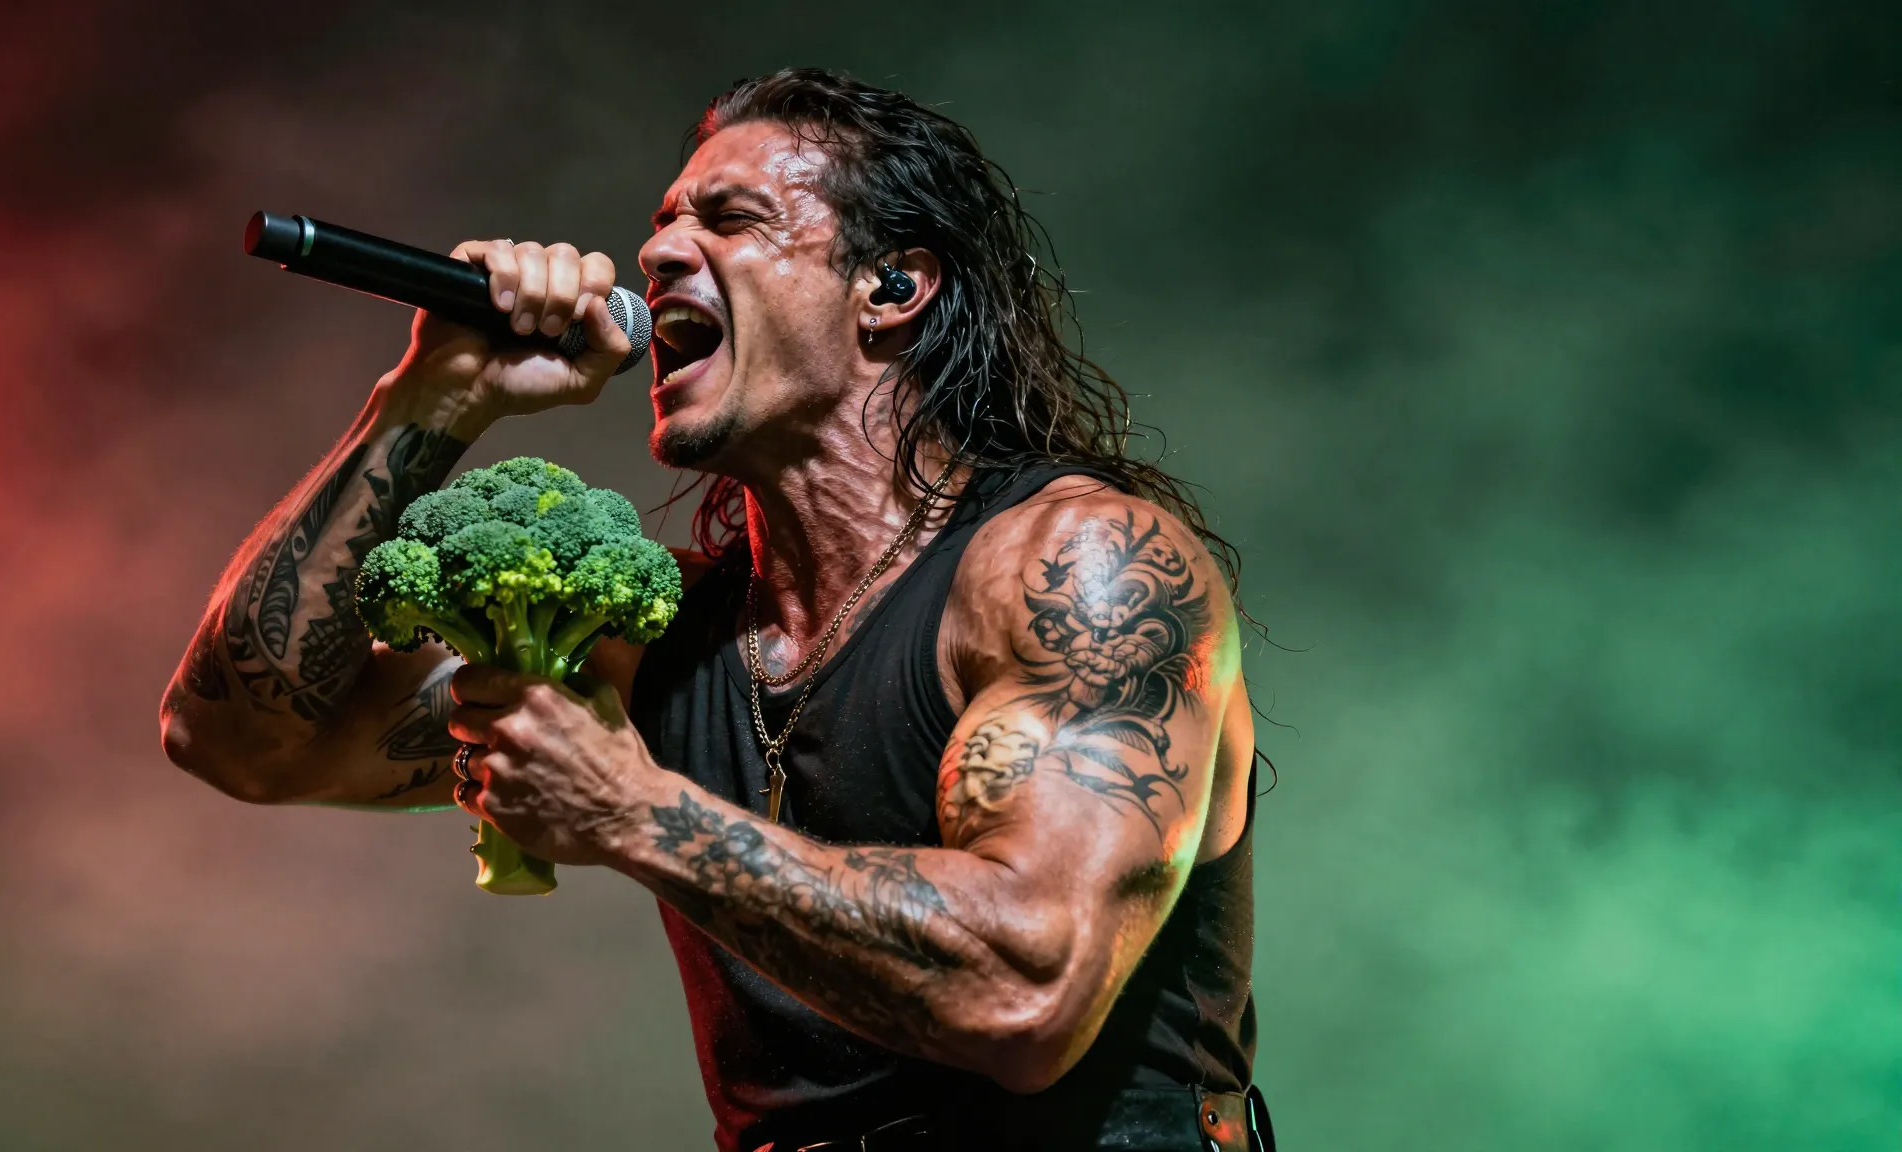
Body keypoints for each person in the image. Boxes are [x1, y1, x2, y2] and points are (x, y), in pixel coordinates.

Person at [162, 68, 1268, 1152]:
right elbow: (244, 738)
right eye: (663, 223)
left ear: (891, 289)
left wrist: (634, 811)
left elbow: (1025, 991)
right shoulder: (662, 642)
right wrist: (433, 394)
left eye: (732, 219)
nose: (655, 253)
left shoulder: (1078, 565)